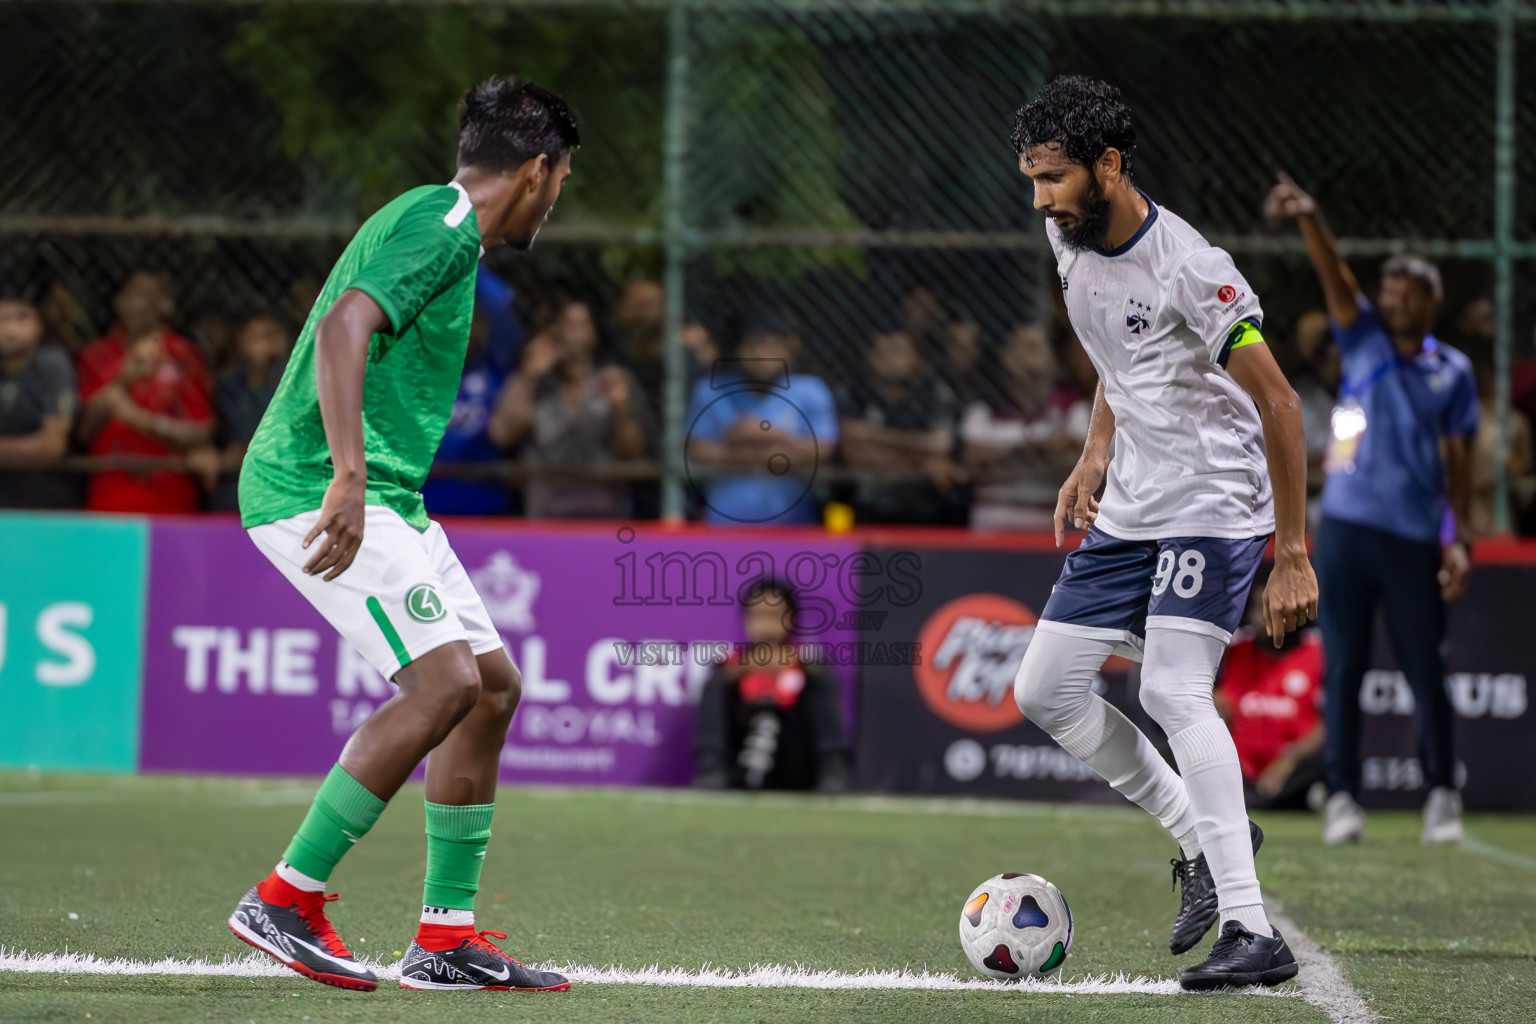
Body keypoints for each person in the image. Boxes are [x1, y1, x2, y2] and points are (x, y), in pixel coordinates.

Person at [228, 77, 578, 995]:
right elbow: (348, 326)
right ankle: (284, 896)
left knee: (491, 689)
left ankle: (444, 939)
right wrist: (346, 475)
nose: (558, 199)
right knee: (444, 682)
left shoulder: (442, 225)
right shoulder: (446, 224)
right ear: (539, 172)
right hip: (319, 484)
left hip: (390, 495)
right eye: (563, 180)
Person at [1009, 76, 1314, 990]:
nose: (1040, 199)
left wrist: (1291, 553)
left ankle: (1253, 930)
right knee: (1043, 690)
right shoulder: (1067, 237)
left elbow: (1283, 405)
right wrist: (1094, 456)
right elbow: (1118, 357)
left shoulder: (1192, 266)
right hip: (1135, 504)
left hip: (1215, 504)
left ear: (1109, 165)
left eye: (1055, 178)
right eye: (1030, 178)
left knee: (1176, 692)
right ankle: (1198, 838)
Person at [1266, 173, 1477, 848]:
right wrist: (1311, 218)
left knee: (1423, 668)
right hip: (1346, 532)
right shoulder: (1363, 343)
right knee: (1343, 667)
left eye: (1407, 293)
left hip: (1413, 535)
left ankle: (1442, 791)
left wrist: (1459, 536)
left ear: (1432, 302)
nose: (1393, 301)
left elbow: (1460, 461)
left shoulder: (1455, 371)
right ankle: (1344, 798)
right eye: (1388, 291)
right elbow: (1336, 278)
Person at [488, 296, 650, 518]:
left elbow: (632, 453)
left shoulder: (613, 380)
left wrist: (621, 408)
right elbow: (502, 435)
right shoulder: (532, 382)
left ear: (595, 333)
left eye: (581, 325)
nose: (571, 334)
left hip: (604, 513)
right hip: (545, 513)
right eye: (565, 324)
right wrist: (529, 377)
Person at [75, 271, 214, 513]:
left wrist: (135, 417)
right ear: (118, 302)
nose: (144, 303)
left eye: (153, 296)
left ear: (167, 305)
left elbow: (200, 430)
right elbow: (84, 431)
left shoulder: (183, 354)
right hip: (111, 485)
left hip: (169, 485)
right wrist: (123, 379)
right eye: (135, 295)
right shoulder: (97, 355)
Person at [692, 581, 848, 792]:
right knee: (717, 684)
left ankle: (832, 772)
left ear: (790, 618)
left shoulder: (809, 669)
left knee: (817, 681)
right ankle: (713, 771)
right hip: (738, 769)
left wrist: (791, 668)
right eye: (758, 615)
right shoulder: (728, 669)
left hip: (796, 770)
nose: (766, 624)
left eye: (774, 615)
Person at [686, 316, 837, 525]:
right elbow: (699, 451)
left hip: (795, 526)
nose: (760, 353)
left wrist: (765, 434)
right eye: (752, 344)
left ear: (790, 347)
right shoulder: (711, 389)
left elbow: (821, 450)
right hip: (723, 525)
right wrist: (784, 450)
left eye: (769, 344)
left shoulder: (811, 389)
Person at [1213, 568, 1326, 811]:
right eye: (1255, 608)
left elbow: (1327, 727)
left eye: (1265, 610)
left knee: (1316, 776)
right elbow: (1213, 704)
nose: (1256, 618)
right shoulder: (1233, 651)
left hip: (1292, 770)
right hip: (1237, 770)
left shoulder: (1317, 653)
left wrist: (1290, 758)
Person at [959, 323, 1085, 531]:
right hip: (991, 521)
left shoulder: (1071, 409)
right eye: (1026, 347)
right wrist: (1038, 450)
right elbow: (971, 465)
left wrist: (1001, 462)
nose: (1031, 356)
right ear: (1005, 355)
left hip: (1051, 524)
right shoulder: (981, 411)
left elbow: (1078, 467)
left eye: (1038, 347)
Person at [836, 322, 963, 524]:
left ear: (916, 358)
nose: (892, 360)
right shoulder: (853, 389)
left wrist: (872, 436)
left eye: (900, 352)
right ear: (870, 357)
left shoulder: (934, 391)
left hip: (924, 509)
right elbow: (856, 454)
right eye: (883, 352)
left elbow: (939, 446)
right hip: (863, 505)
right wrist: (920, 457)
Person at [421, 305, 516, 517]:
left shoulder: (497, 376)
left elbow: (504, 434)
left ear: (482, 329)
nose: (460, 332)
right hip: (424, 503)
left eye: (469, 324)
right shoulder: (415, 380)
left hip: (486, 504)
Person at [0, 280, 79, 508]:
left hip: (43, 499)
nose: (10, 328)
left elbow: (51, 446)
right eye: (2, 319)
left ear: (39, 324)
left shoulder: (51, 365)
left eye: (21, 317)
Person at [204, 311, 292, 511]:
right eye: (254, 336)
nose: (263, 344)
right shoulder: (225, 385)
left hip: (282, 476)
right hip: (235, 481)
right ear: (240, 342)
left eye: (270, 335)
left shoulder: (297, 383)